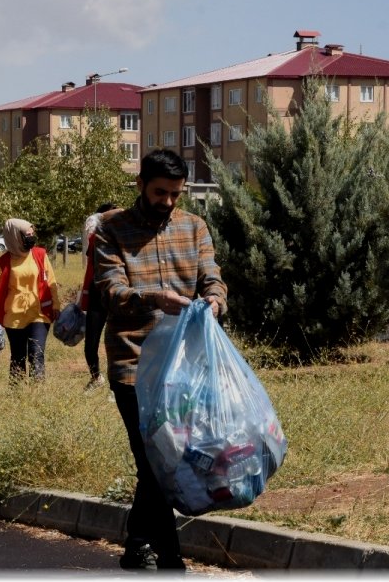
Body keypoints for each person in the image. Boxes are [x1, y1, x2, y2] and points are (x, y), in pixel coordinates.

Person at [93, 149, 227, 572]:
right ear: (140, 185)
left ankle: (139, 545)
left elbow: (212, 277)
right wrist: (153, 298)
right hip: (132, 364)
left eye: (175, 194)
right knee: (153, 460)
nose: (167, 201)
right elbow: (110, 291)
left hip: (184, 368)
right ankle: (169, 559)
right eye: (159, 192)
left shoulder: (194, 226)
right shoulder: (111, 228)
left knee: (171, 459)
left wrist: (215, 300)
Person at [0, 218, 59, 383]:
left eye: (32, 234)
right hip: (14, 317)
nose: (32, 237)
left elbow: (51, 282)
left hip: (39, 313)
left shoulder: (40, 255)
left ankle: (37, 392)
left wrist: (56, 305)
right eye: (27, 235)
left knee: (36, 354)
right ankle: (16, 392)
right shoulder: (4, 262)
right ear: (15, 237)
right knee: (18, 357)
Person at [78, 202, 117, 392]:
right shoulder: (95, 239)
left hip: (117, 296)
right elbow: (90, 271)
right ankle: (96, 377)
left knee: (116, 343)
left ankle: (116, 386)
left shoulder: (123, 238)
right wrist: (84, 296)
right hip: (96, 295)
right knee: (90, 344)